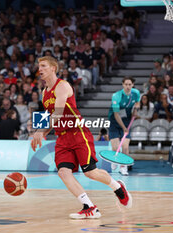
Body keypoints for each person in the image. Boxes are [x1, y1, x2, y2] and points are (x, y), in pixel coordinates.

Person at [31, 56, 132, 219]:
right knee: (63, 172)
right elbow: (50, 117)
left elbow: (58, 113)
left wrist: (40, 129)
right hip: (62, 137)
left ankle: (118, 187)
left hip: (78, 133)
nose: (39, 69)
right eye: (39, 66)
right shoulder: (44, 93)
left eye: (43, 66)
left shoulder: (63, 86)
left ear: (53, 68)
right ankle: (89, 206)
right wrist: (41, 132)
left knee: (90, 173)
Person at [108, 77, 140, 175]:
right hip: (114, 120)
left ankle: (123, 167)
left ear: (132, 85)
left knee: (125, 147)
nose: (128, 86)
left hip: (126, 120)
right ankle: (114, 160)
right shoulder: (116, 96)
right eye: (126, 84)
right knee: (116, 147)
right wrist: (123, 128)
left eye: (130, 84)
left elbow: (137, 102)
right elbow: (116, 114)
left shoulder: (136, 93)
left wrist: (135, 110)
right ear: (122, 85)